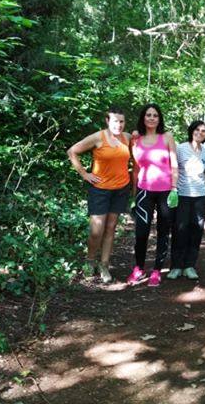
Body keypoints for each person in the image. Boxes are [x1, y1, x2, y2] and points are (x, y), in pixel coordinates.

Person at [67, 106, 131, 283]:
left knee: (111, 228)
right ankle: (89, 260)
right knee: (97, 230)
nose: (119, 124)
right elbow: (72, 151)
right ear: (107, 121)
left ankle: (104, 264)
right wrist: (84, 174)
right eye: (115, 121)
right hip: (100, 190)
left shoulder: (127, 138)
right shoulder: (98, 137)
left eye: (122, 121)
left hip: (121, 189)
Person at [126, 104, 178, 287]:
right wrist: (134, 195)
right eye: (148, 115)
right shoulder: (135, 139)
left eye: (155, 115)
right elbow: (136, 168)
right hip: (144, 191)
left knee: (164, 231)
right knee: (141, 231)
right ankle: (138, 268)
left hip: (165, 191)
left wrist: (174, 188)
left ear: (159, 119)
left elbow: (174, 164)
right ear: (143, 118)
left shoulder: (167, 137)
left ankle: (156, 271)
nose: (151, 118)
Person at [167, 120, 205, 280]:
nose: (200, 133)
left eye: (203, 131)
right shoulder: (180, 148)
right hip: (182, 195)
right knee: (180, 229)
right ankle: (176, 266)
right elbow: (171, 168)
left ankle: (189, 266)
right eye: (197, 130)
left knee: (196, 230)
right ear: (192, 131)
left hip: (200, 196)